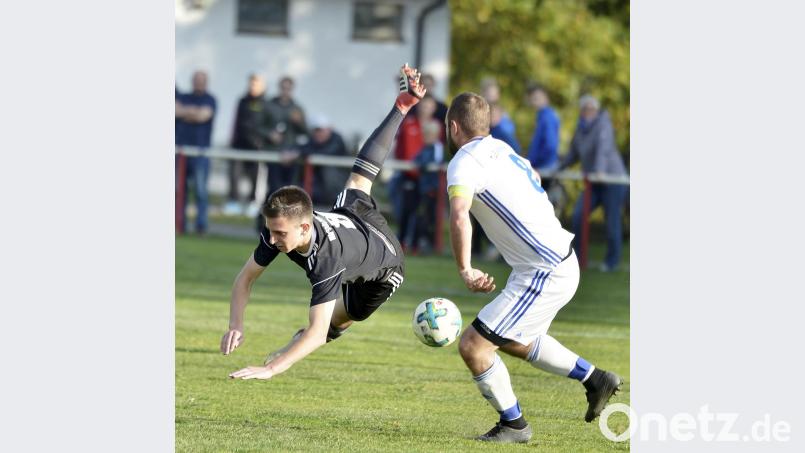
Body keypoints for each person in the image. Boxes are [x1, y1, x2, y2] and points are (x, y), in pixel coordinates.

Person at [221, 64, 427, 381]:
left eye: (280, 233)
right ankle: (401, 106)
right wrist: (235, 323)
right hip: (354, 218)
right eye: (271, 230)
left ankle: (301, 339)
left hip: (386, 266)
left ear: (304, 228)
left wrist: (271, 368)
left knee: (338, 320)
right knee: (359, 179)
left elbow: (316, 334)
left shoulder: (326, 259)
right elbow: (245, 279)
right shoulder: (281, 229)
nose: (273, 240)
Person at [444, 92, 621, 443]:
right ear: (487, 124)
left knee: (474, 345)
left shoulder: (464, 161)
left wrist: (465, 268)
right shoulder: (505, 151)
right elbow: (535, 179)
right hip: (554, 260)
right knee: (509, 339)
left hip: (544, 269)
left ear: (453, 127)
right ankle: (595, 378)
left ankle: (514, 425)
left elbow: (460, 214)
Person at [558, 95, 628, 272]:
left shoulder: (603, 124)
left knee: (612, 221)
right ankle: (578, 260)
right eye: (585, 109)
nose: (588, 112)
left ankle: (611, 263)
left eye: (592, 109)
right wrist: (558, 168)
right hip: (594, 183)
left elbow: (602, 150)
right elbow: (573, 153)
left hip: (612, 180)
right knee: (578, 215)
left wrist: (599, 170)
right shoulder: (580, 129)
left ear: (596, 111)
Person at [394, 95, 438, 251]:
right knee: (406, 210)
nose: (425, 109)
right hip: (409, 176)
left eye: (429, 106)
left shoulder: (437, 127)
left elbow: (436, 158)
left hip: (427, 183)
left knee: (423, 214)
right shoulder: (409, 123)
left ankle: (419, 243)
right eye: (423, 105)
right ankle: (402, 241)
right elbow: (401, 150)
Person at [225, 74, 272, 217]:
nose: (252, 86)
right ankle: (233, 202)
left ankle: (253, 203)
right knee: (234, 175)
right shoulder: (242, 101)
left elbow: (266, 126)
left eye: (256, 83)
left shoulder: (267, 104)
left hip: (256, 149)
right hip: (239, 146)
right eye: (251, 83)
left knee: (255, 178)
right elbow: (236, 122)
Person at [176, 70, 216, 234]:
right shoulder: (184, 96)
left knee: (200, 192)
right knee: (179, 191)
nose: (198, 83)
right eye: (196, 80)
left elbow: (203, 116)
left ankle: (201, 227)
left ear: (206, 82)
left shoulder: (210, 99)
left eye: (202, 80)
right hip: (182, 152)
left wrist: (186, 112)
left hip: (201, 153)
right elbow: (176, 111)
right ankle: (180, 225)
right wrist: (193, 112)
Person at [301, 114, 350, 207]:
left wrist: (301, 153)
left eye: (321, 130)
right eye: (316, 130)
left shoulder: (337, 140)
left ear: (329, 129)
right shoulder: (312, 141)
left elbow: (323, 153)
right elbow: (303, 148)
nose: (318, 133)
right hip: (318, 193)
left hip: (336, 192)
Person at [413, 119, 445, 253]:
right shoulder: (424, 148)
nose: (425, 137)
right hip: (424, 189)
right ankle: (421, 242)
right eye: (425, 134)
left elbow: (435, 163)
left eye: (428, 134)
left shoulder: (437, 147)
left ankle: (432, 244)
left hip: (433, 190)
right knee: (422, 217)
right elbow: (416, 160)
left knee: (431, 218)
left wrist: (423, 165)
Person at [526, 83, 560, 190]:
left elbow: (550, 145)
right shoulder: (541, 116)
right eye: (533, 99)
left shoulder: (547, 117)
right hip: (542, 167)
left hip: (544, 169)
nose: (535, 102)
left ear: (546, 98)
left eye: (537, 98)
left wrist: (536, 163)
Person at [480, 77, 521, 153]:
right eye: (489, 94)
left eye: (494, 94)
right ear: (483, 94)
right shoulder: (479, 115)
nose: (492, 97)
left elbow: (512, 142)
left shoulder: (503, 117)